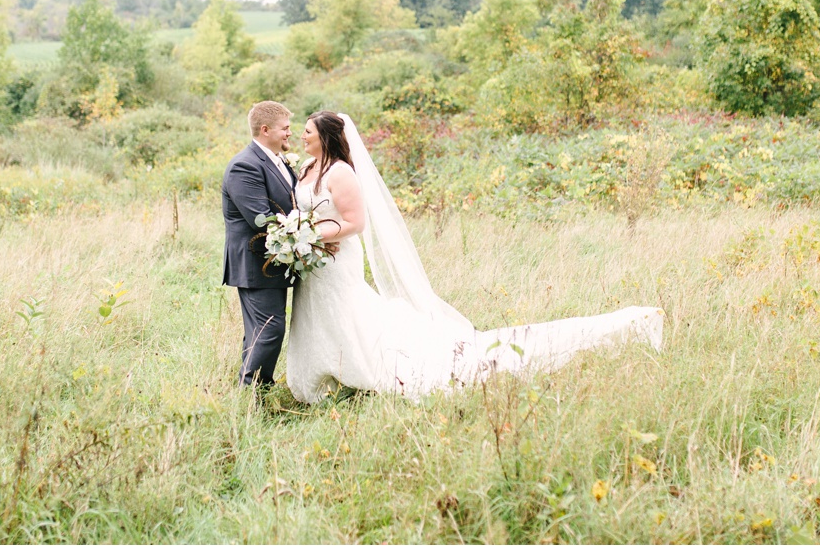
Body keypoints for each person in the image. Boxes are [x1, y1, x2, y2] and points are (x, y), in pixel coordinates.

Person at [285, 111, 663, 404]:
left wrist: (312, 235)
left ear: (326, 137)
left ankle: (357, 371)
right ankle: (322, 376)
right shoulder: (306, 168)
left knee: (345, 311)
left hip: (335, 258)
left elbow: (355, 222)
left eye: (307, 131)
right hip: (313, 261)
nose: (301, 136)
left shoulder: (341, 173)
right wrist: (297, 233)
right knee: (320, 311)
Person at [221, 101, 298, 389]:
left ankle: (253, 393)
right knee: (270, 329)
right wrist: (308, 227)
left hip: (274, 261)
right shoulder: (245, 165)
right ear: (265, 130)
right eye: (285, 128)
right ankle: (252, 389)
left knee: (260, 330)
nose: (290, 134)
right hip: (256, 262)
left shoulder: (278, 159)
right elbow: (259, 219)